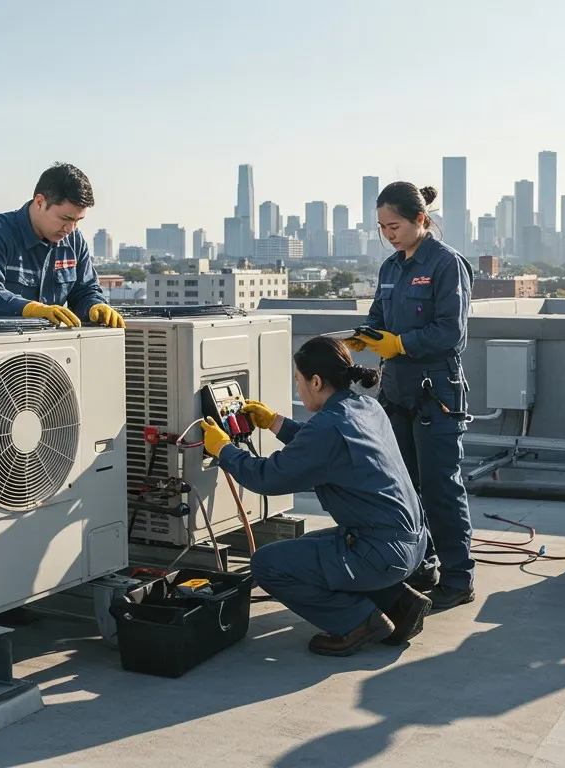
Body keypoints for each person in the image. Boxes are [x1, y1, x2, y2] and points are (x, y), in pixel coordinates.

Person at [199, 336, 432, 657]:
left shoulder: (327, 429)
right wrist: (275, 422)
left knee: (268, 564)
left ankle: (358, 622)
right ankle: (399, 602)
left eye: (298, 380)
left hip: (383, 553)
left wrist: (223, 449)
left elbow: (266, 476)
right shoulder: (367, 407)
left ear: (317, 382)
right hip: (412, 544)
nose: (298, 388)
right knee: (311, 547)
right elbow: (322, 446)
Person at [348, 182, 476, 611]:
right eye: (382, 228)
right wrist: (366, 336)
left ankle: (457, 578)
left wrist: (400, 344)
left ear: (420, 219)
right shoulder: (390, 268)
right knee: (403, 487)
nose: (389, 235)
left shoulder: (445, 264)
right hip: (396, 392)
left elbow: (451, 332)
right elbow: (378, 316)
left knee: (440, 486)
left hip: (435, 391)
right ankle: (423, 563)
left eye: (395, 226)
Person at [0, 162, 125, 329]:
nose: (70, 229)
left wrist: (95, 305)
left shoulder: (74, 241)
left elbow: (85, 291)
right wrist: (30, 309)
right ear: (39, 202)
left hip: (47, 344)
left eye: (78, 221)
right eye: (65, 218)